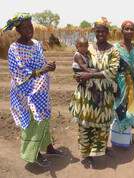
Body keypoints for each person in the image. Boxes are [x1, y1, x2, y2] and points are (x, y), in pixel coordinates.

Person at [3, 12, 65, 167]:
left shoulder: (36, 44)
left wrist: (49, 66)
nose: (29, 30)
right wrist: (41, 71)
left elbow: (41, 63)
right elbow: (18, 73)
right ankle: (35, 154)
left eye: (30, 26)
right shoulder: (14, 49)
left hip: (41, 92)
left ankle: (49, 148)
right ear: (18, 30)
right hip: (25, 94)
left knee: (44, 119)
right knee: (32, 123)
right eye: (24, 28)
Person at [69, 16, 120, 168]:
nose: (100, 34)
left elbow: (112, 72)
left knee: (102, 124)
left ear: (108, 32)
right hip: (87, 94)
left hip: (105, 93)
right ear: (94, 32)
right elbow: (77, 66)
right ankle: (87, 154)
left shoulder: (114, 50)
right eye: (97, 31)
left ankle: (98, 151)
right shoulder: (87, 48)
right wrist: (77, 76)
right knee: (86, 125)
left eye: (103, 31)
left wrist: (90, 75)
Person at [110, 20, 134, 147]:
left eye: (131, 29)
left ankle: (126, 137)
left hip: (131, 84)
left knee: (130, 110)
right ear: (122, 31)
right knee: (119, 110)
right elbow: (111, 69)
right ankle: (118, 138)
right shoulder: (115, 48)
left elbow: (133, 67)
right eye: (126, 29)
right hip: (119, 84)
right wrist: (114, 87)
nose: (129, 31)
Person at [73, 36, 103, 107]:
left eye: (85, 46)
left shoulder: (85, 53)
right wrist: (90, 73)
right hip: (79, 71)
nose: (83, 48)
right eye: (80, 46)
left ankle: (100, 95)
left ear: (88, 46)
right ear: (76, 46)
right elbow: (82, 66)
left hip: (83, 69)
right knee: (92, 82)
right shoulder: (78, 55)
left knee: (97, 71)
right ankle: (95, 95)